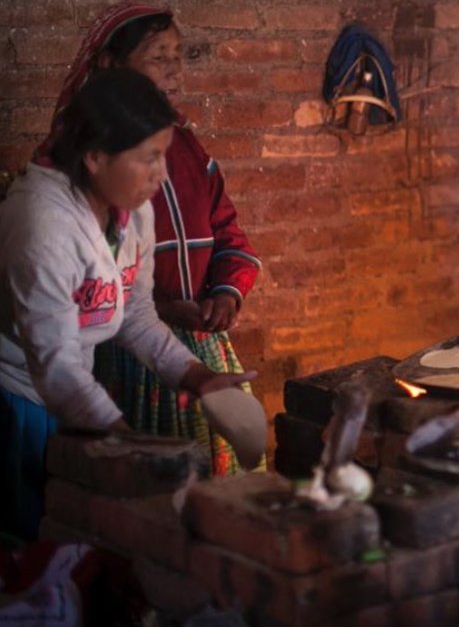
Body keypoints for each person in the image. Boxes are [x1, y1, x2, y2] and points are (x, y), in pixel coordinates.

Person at [0, 70, 262, 542]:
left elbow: (133, 313)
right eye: (149, 158)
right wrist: (129, 441)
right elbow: (55, 367)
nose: (161, 175)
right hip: (19, 396)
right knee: (26, 541)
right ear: (96, 157)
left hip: (68, 388)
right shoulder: (44, 225)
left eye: (162, 155)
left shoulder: (131, 209)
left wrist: (200, 379)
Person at [42, 2, 263, 476]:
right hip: (116, 360)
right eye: (157, 55)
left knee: (210, 480)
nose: (173, 68)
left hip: (186, 347)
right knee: (140, 488)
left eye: (178, 55)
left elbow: (229, 234)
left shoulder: (185, 150)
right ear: (109, 67)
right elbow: (83, 312)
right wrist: (162, 310)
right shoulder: (77, 173)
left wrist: (226, 290)